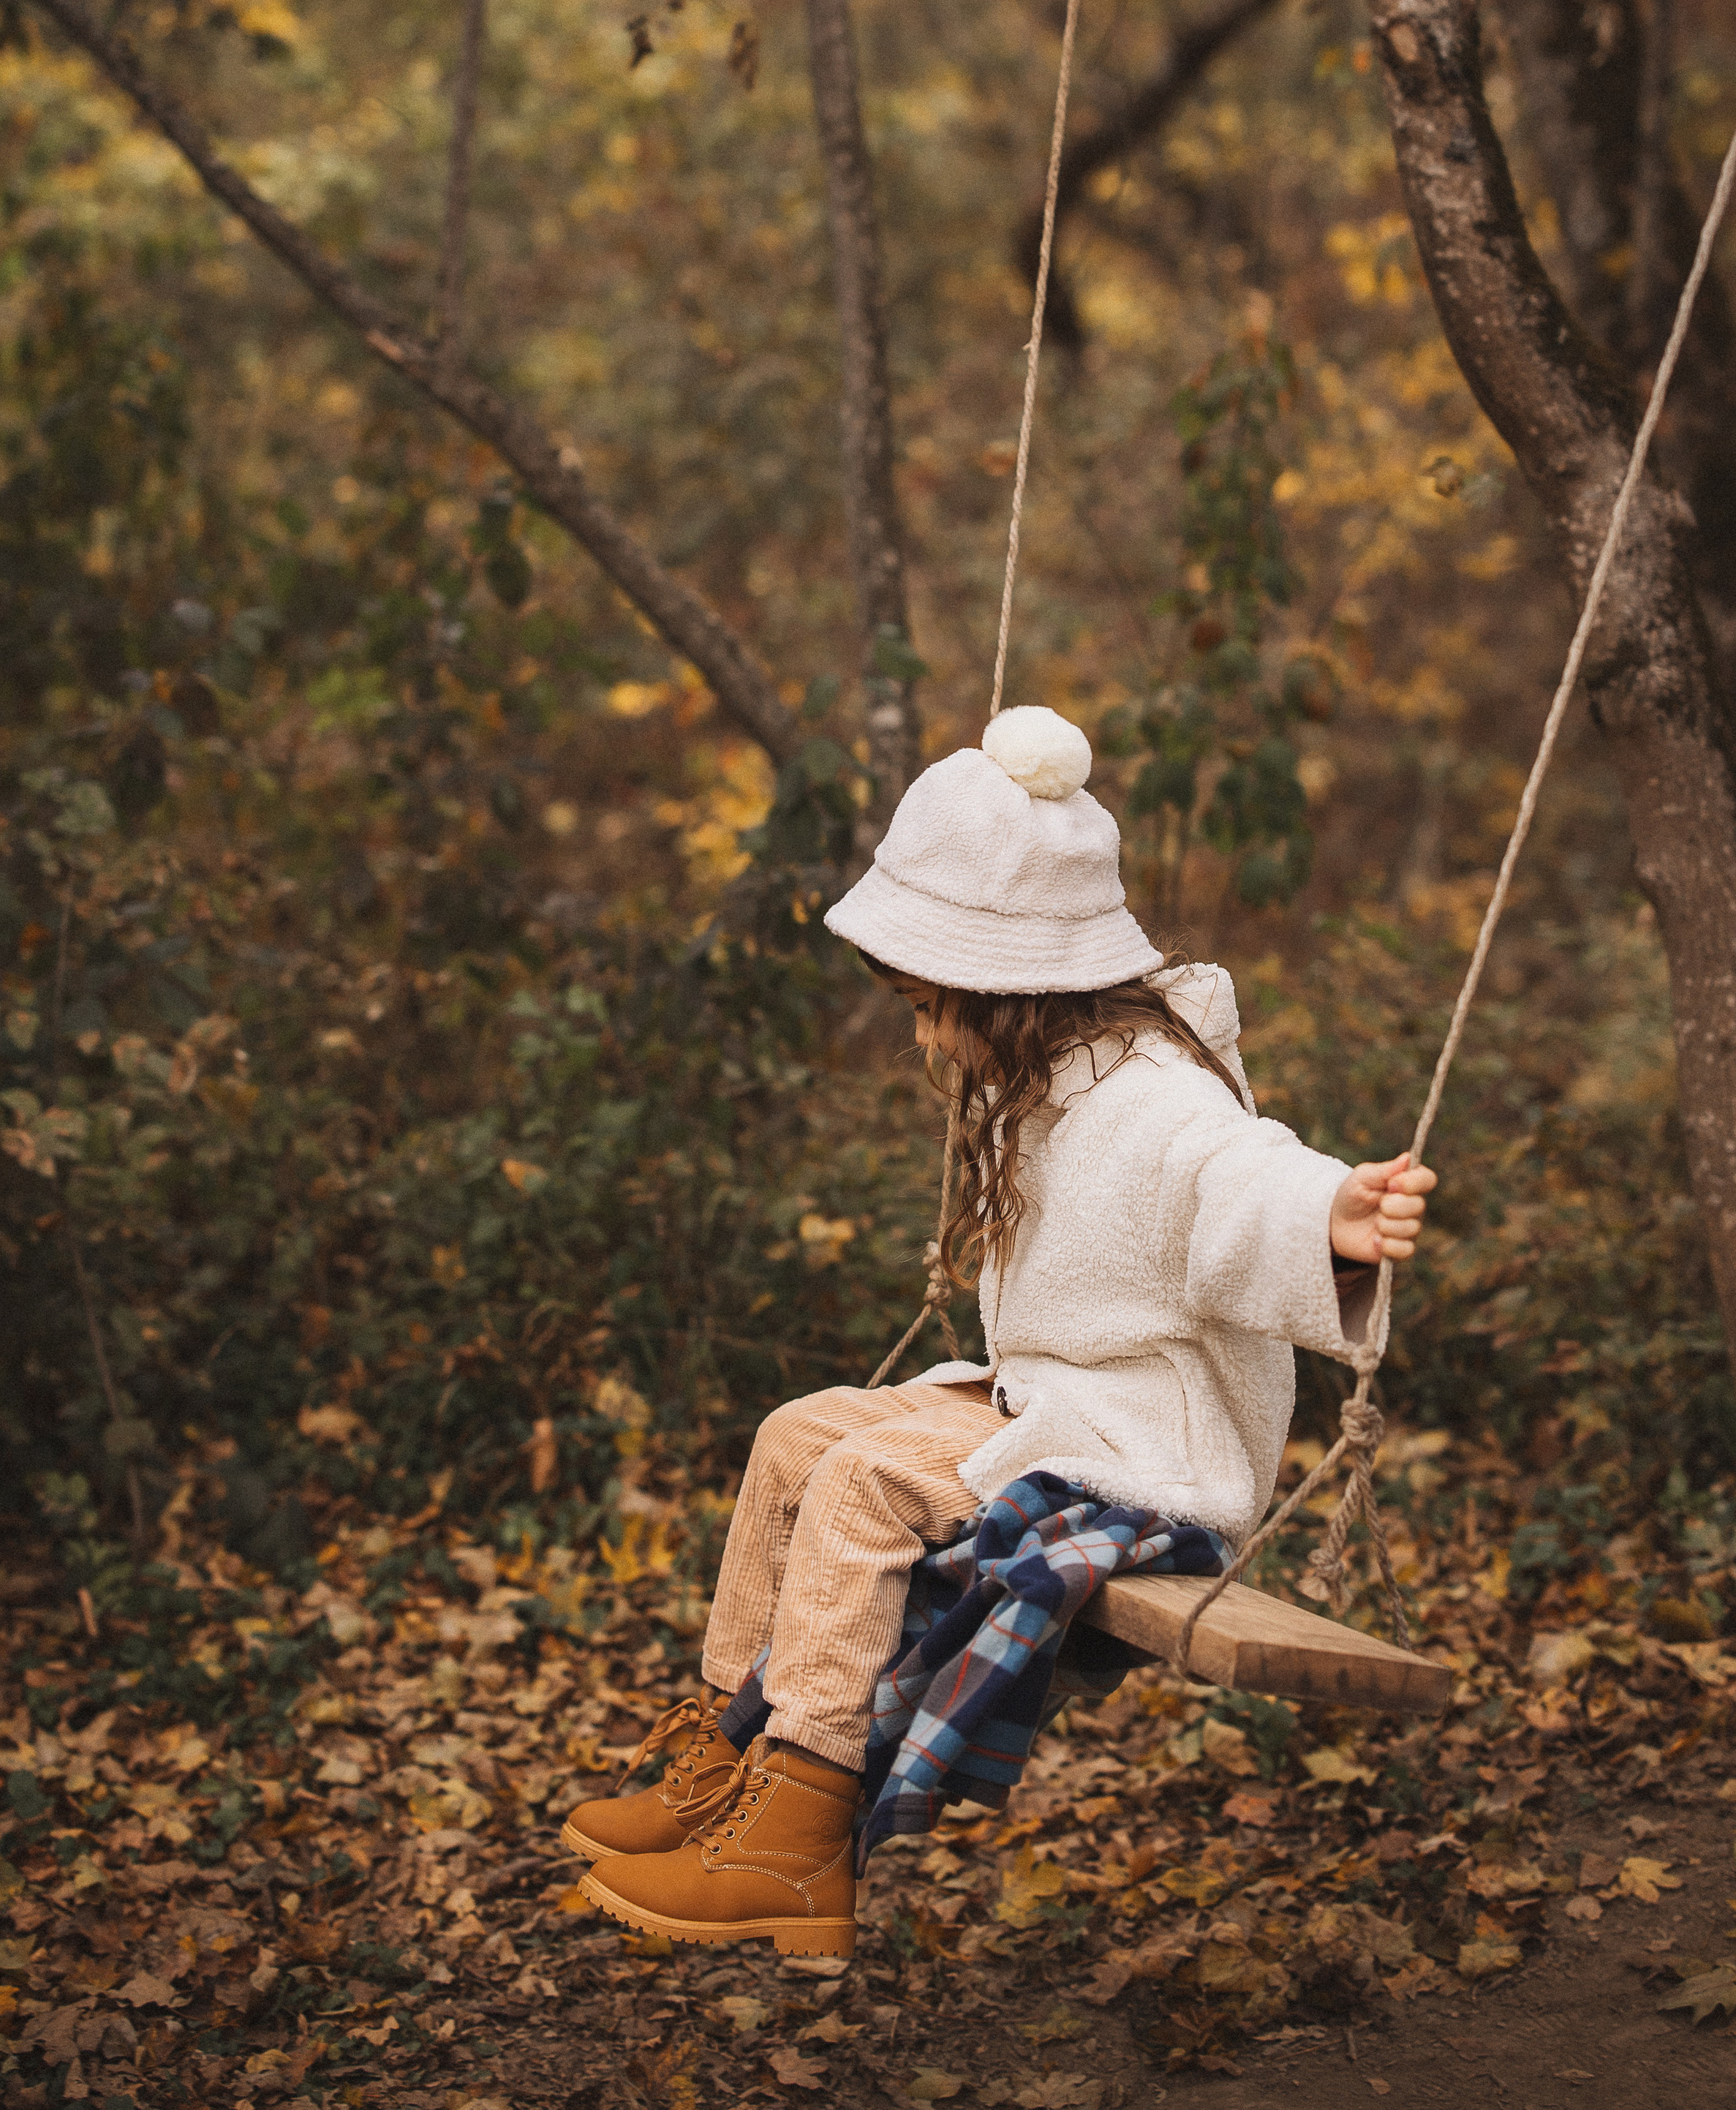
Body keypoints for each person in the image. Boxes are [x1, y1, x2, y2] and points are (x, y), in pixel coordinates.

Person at [564, 706, 1436, 1953]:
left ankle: (797, 1841)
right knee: (798, 1434)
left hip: (1147, 1453)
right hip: (1058, 1400)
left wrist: (1330, 1209)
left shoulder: (1150, 1099)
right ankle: (725, 1759)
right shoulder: (1046, 1082)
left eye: (932, 1006)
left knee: (867, 1485)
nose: (923, 1036)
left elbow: (1234, 1174)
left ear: (1008, 991)